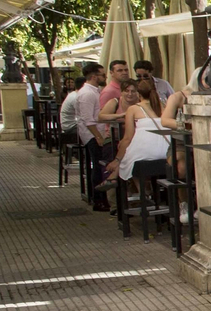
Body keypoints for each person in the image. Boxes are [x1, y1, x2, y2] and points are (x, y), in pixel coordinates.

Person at [107, 79, 171, 184]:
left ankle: (144, 192)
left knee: (127, 160)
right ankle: (114, 178)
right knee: (130, 155)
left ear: (138, 93)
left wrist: (117, 159)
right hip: (167, 151)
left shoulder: (133, 109)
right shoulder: (165, 106)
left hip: (147, 153)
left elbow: (128, 138)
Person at [73, 62, 111, 210]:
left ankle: (100, 198)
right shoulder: (87, 93)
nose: (105, 77)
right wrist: (99, 137)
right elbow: (88, 119)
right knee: (98, 166)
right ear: (94, 77)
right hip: (92, 135)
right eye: (102, 74)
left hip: (95, 134)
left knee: (99, 166)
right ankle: (98, 200)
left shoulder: (94, 91)